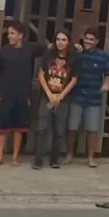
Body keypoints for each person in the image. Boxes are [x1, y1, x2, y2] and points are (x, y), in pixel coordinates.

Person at [0, 22, 49, 166]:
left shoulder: (30, 49)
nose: (9, 36)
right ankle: (0, 157)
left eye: (12, 33)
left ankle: (15, 157)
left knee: (19, 129)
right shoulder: (4, 51)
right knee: (2, 128)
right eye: (9, 33)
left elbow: (50, 47)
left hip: (23, 94)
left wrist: (74, 47)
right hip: (5, 93)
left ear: (21, 35)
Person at [66, 28, 109, 168]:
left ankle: (91, 157)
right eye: (86, 39)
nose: (88, 42)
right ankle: (69, 154)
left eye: (91, 39)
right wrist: (74, 50)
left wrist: (106, 84)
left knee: (92, 129)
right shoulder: (77, 53)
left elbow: (107, 73)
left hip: (94, 97)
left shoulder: (103, 56)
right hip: (76, 95)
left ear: (97, 41)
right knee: (72, 127)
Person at [34, 30, 77, 169]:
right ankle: (38, 160)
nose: (60, 42)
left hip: (62, 100)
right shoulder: (48, 56)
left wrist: (60, 96)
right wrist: (49, 94)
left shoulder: (73, 59)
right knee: (41, 128)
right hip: (46, 98)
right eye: (58, 39)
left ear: (68, 42)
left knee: (59, 131)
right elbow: (41, 74)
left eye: (64, 40)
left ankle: (54, 160)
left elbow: (74, 79)